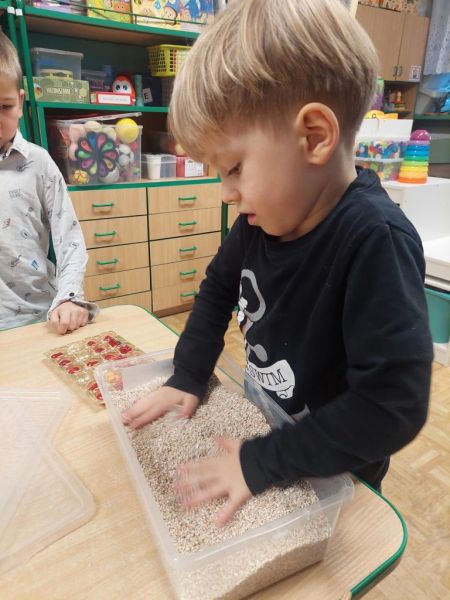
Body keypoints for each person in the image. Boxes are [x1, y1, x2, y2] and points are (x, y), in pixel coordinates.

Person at [122, 0, 433, 526]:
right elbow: (217, 290)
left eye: (234, 168)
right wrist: (189, 374)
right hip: (269, 427)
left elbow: (390, 406)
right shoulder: (259, 221)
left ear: (313, 136)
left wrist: (260, 462)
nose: (226, 193)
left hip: (338, 469)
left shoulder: (374, 240)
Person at [0, 32, 98, 333]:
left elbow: (69, 237)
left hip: (38, 317)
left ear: (20, 102)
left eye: (4, 107)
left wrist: (69, 297)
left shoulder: (38, 163)